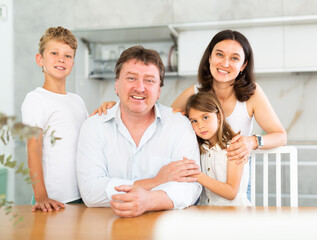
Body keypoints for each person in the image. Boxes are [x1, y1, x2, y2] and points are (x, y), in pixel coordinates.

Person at [76, 46, 202, 217]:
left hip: (163, 228)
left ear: (158, 91)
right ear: (116, 85)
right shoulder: (93, 126)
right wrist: (156, 182)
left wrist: (149, 201)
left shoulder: (179, 125)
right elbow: (90, 191)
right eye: (131, 78)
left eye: (149, 80)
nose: (140, 87)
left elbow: (191, 186)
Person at [21, 26, 88, 212]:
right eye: (54, 53)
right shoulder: (35, 99)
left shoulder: (77, 101)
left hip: (81, 195)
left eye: (68, 55)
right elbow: (33, 150)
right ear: (39, 59)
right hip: (52, 199)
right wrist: (41, 197)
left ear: (73, 62)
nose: (61, 59)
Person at [185, 91, 251, 206]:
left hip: (236, 215)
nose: (200, 125)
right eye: (194, 121)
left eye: (205, 117)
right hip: (208, 214)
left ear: (219, 117)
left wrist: (197, 176)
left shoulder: (234, 147)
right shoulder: (201, 149)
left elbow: (231, 192)